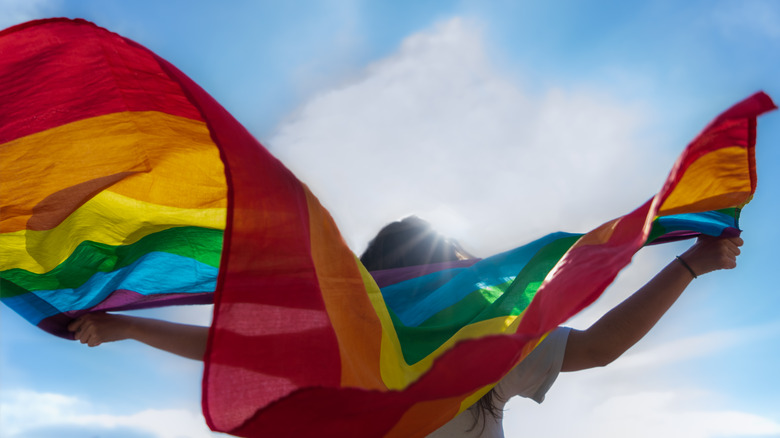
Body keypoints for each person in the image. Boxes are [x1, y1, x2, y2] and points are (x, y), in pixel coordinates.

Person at [68, 216, 743, 437]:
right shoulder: (358, 349)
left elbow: (596, 348)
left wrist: (688, 263)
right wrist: (688, 265)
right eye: (444, 270)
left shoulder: (482, 346)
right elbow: (597, 349)